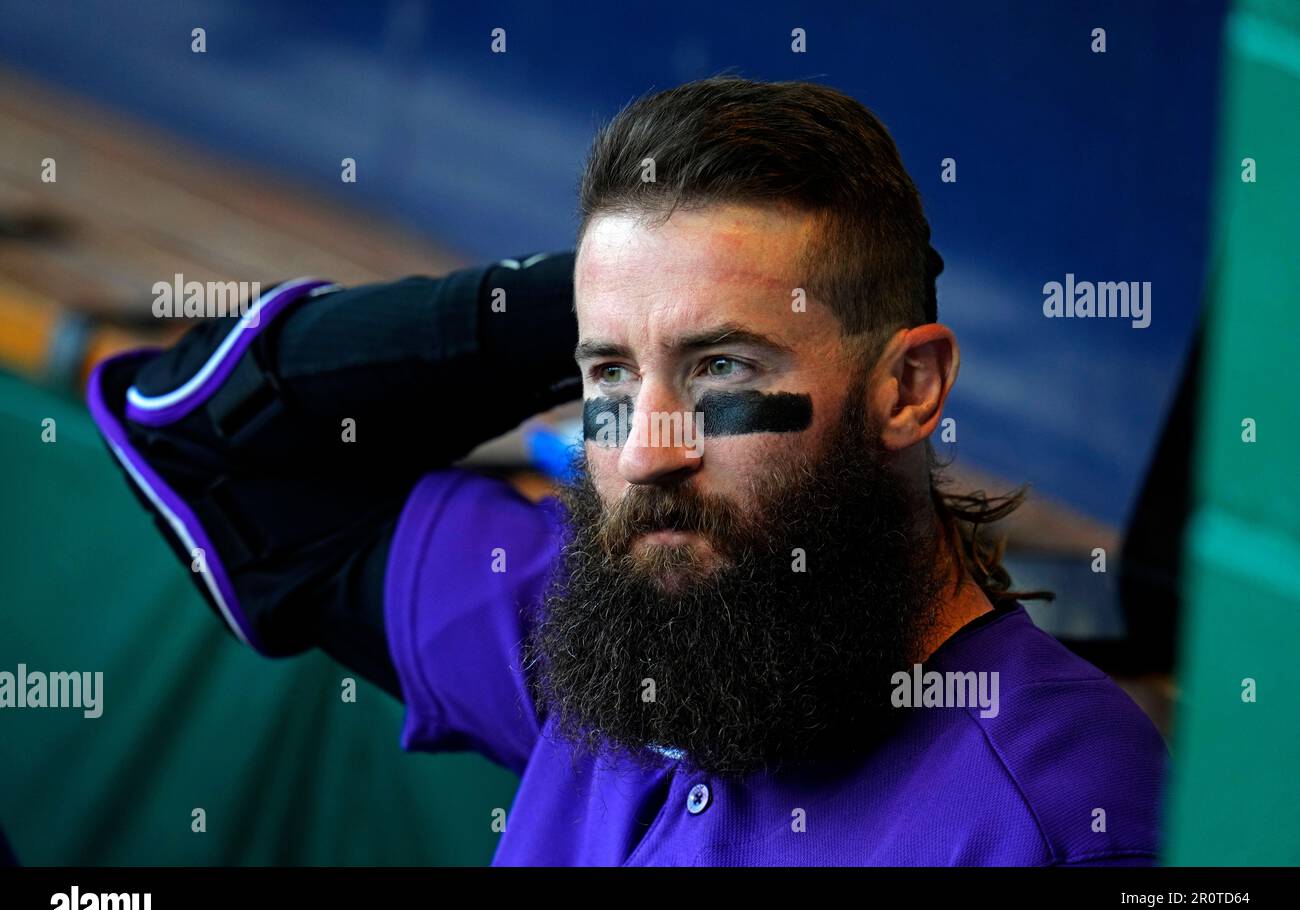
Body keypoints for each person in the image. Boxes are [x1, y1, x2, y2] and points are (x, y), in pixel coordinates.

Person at [87, 76, 1166, 865]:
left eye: (722, 365)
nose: (647, 450)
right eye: (608, 371)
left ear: (907, 389)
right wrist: (624, 285)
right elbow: (212, 444)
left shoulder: (1067, 812)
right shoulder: (624, 630)